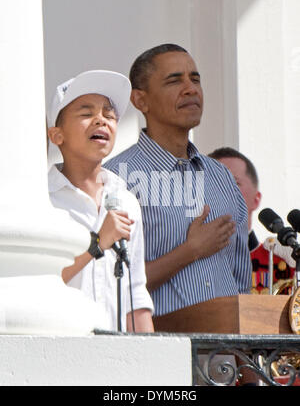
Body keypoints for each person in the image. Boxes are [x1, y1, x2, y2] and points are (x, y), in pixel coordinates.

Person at [104, 43, 252, 317]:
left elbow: (240, 280)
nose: (190, 89)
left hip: (227, 355)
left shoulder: (221, 177)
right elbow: (109, 285)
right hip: (162, 352)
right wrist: (190, 251)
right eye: (174, 80)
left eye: (195, 79)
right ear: (140, 100)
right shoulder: (116, 178)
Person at [47, 70, 154, 332]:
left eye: (109, 114)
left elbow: (135, 293)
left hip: (116, 354)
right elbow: (39, 282)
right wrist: (97, 242)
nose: (101, 121)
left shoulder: (126, 201)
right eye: (86, 113)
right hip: (59, 349)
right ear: (56, 135)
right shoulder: (43, 200)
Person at [208, 147, 295, 294]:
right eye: (213, 184)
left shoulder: (278, 263)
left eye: (234, 183)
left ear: (256, 199)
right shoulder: (185, 261)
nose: (221, 192)